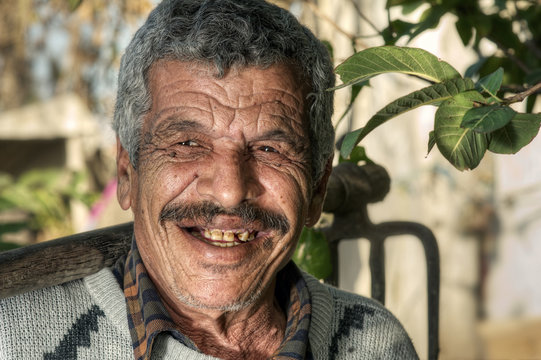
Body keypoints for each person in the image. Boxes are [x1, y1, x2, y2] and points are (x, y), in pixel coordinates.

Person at [0, 0, 418, 359]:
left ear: (318, 189)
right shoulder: (13, 340)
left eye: (269, 150)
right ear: (127, 172)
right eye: (187, 144)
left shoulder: (375, 343)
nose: (230, 191)